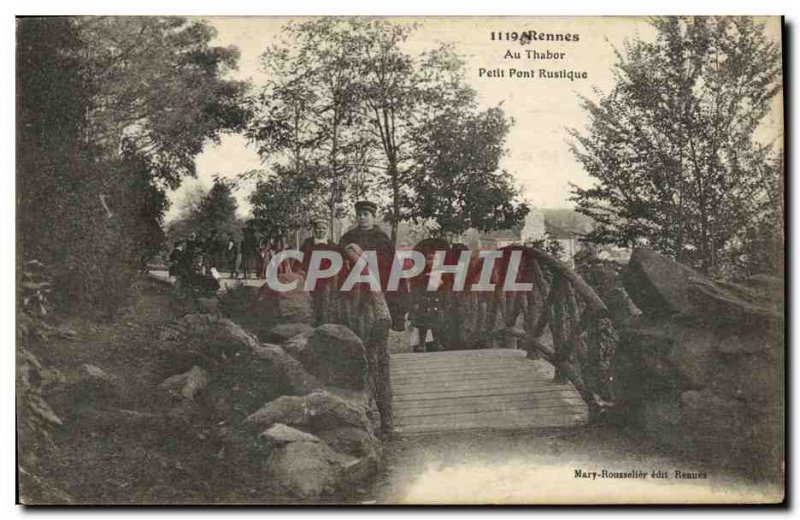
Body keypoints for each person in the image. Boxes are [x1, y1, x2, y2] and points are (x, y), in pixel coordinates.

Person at [338, 200, 407, 331]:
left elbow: (389, 262)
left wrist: (362, 255)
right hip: (353, 283)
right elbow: (339, 256)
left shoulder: (381, 238)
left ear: (373, 216)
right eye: (359, 215)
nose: (362, 217)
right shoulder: (348, 236)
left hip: (377, 281)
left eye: (365, 214)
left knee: (376, 318)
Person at [300, 217, 340, 325]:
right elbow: (301, 260)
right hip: (310, 276)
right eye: (318, 228)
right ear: (314, 230)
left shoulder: (333, 246)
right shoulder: (307, 244)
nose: (321, 231)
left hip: (327, 279)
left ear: (327, 230)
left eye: (323, 228)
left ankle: (324, 323)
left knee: (325, 301)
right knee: (310, 300)